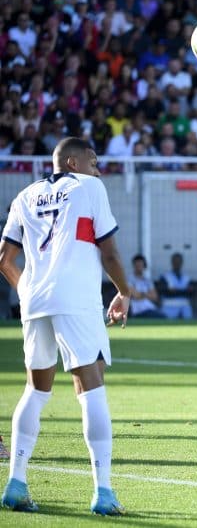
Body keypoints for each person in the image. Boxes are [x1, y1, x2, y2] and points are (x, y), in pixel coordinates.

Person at [0, 137, 130, 515]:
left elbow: (5, 258)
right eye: (93, 161)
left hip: (35, 302)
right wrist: (125, 292)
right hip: (75, 300)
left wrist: (26, 290)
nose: (98, 169)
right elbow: (109, 251)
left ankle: (16, 483)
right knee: (91, 390)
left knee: (35, 390)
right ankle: (104, 492)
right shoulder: (89, 187)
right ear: (73, 162)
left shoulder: (24, 195)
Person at [128, 254, 165, 319]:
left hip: (150, 308)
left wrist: (142, 294)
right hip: (138, 310)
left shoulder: (147, 281)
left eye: (141, 265)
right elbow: (136, 296)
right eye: (137, 265)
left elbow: (155, 297)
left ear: (144, 266)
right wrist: (147, 294)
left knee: (164, 316)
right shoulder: (130, 280)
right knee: (161, 317)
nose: (139, 267)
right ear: (134, 265)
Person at [158, 252, 193, 319]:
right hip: (169, 306)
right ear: (172, 262)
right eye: (175, 261)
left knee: (189, 324)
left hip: (184, 306)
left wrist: (175, 290)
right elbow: (165, 291)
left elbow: (191, 293)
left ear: (182, 262)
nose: (177, 263)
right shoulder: (165, 277)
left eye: (179, 261)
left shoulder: (187, 278)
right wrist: (183, 290)